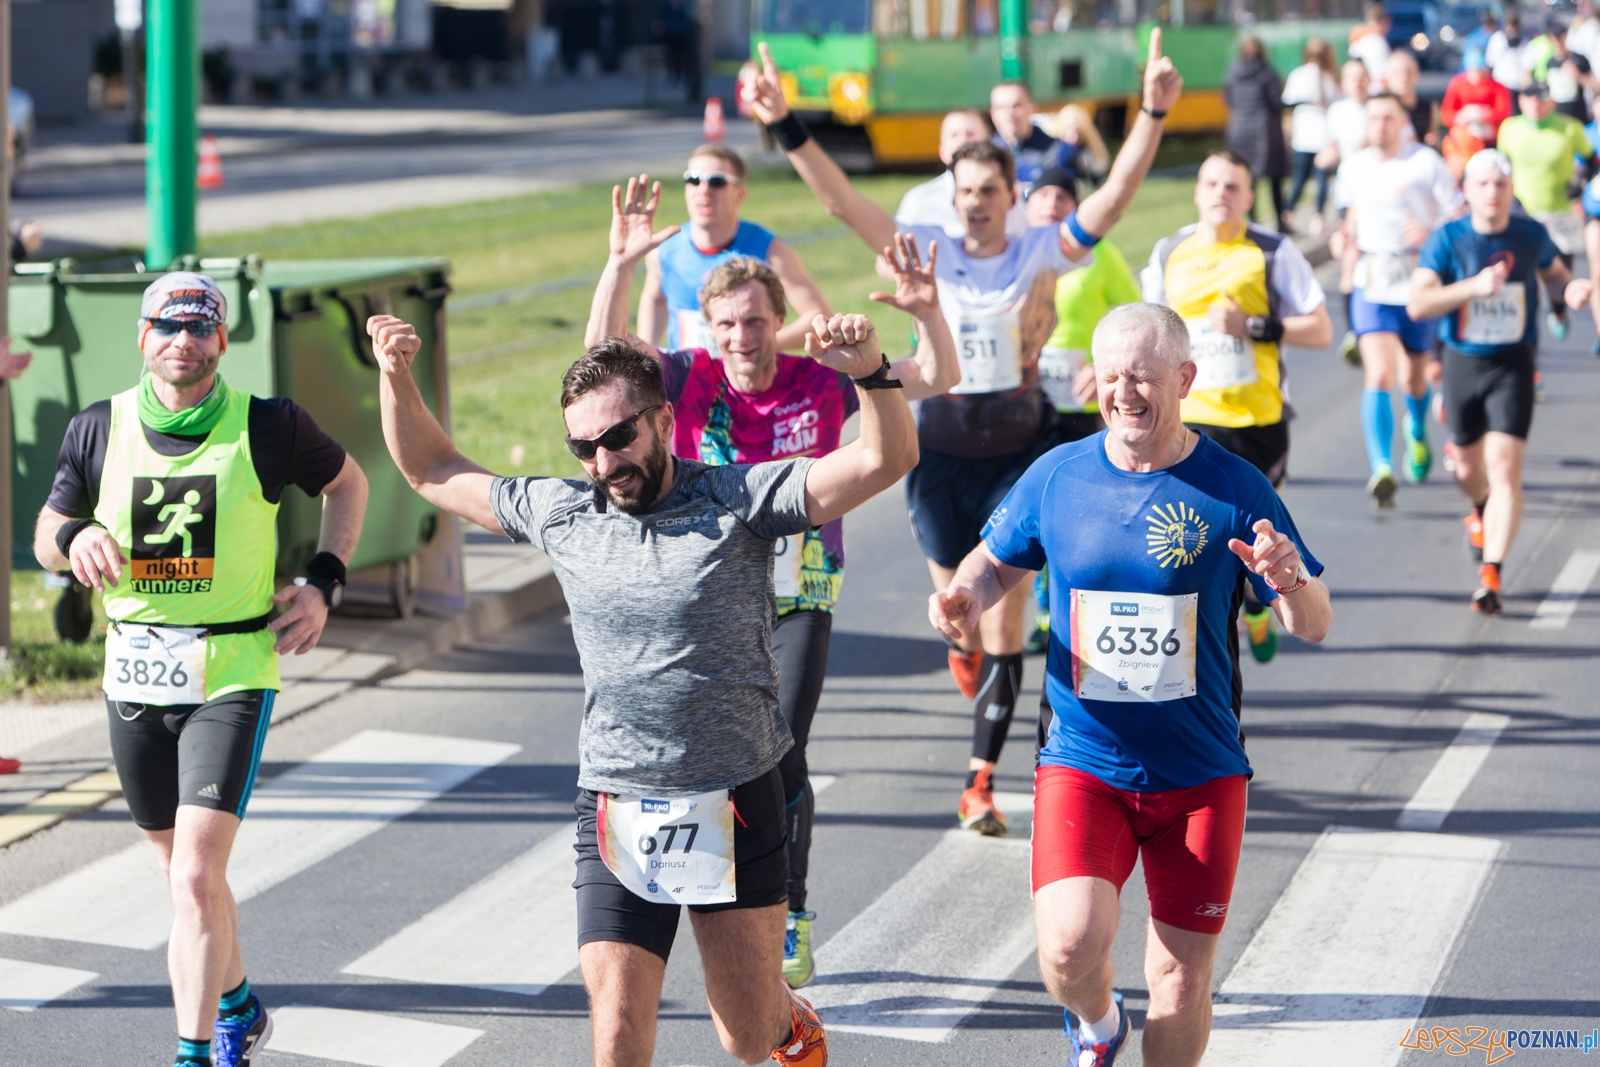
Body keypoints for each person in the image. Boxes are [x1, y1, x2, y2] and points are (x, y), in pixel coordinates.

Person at [370, 289, 919, 1067]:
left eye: (619, 437)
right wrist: (396, 377)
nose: (603, 462)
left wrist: (872, 374)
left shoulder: (737, 498)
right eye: (583, 448)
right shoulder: (563, 512)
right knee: (619, 1035)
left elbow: (884, 460)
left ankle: (788, 1021)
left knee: (747, 1034)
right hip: (618, 803)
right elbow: (432, 468)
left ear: (663, 420)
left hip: (734, 798)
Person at [743, 33, 1184, 836]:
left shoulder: (1045, 249)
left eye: (989, 188)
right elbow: (844, 204)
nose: (976, 201)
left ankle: (980, 781)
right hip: (940, 454)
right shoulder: (928, 254)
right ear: (951, 194)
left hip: (1020, 452)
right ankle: (970, 660)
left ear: (1013, 191)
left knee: (1005, 619)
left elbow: (1115, 195)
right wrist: (789, 126)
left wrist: (1152, 110)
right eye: (964, 189)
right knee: (961, 609)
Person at [929, 302, 1331, 1067]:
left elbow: (1312, 620)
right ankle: (1100, 1022)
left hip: (1201, 774)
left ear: (1184, 377)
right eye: (1110, 376)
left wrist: (1290, 583)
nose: (1124, 393)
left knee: (1179, 978)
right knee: (1068, 946)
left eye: (1142, 376)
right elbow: (994, 560)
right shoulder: (1059, 474)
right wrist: (965, 596)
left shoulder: (1234, 486)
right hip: (1085, 761)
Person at [585, 174, 957, 990]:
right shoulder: (687, 379)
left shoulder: (818, 377)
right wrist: (618, 268)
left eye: (756, 321)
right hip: (714, 597)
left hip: (802, 588)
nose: (743, 338)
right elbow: (600, 368)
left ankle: (791, 909)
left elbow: (938, 373)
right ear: (708, 330)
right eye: (727, 325)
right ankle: (726, 895)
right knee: (739, 759)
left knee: (782, 748)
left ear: (778, 321)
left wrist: (924, 308)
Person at [32, 272, 369, 1067]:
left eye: (200, 327)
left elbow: (348, 482)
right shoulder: (98, 426)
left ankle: (196, 1052)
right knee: (183, 874)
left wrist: (324, 580)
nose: (184, 340)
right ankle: (241, 1004)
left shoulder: (269, 425)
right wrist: (72, 538)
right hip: (134, 677)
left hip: (232, 670)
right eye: (168, 327)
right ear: (143, 337)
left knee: (192, 877)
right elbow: (50, 525)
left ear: (222, 339)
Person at [1142, 150, 1331, 664]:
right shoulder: (1169, 252)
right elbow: (1148, 329)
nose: (1221, 194)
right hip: (1192, 421)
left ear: (1249, 196)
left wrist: (1253, 326)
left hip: (1259, 422)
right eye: (1212, 184)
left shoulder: (1271, 252)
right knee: (1191, 546)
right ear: (1198, 191)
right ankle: (1201, 646)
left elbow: (1321, 329)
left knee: (1259, 543)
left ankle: (1254, 603)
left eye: (1233, 186)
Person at [1407, 149, 1592, 612]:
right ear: (1467, 191)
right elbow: (1418, 304)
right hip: (1463, 362)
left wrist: (1569, 291)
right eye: (1483, 184)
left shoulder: (1530, 234)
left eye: (1501, 185)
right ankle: (1480, 506)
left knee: (1506, 467)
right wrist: (1473, 287)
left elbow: (1554, 275)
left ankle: (1492, 572)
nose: (1492, 193)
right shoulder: (1448, 239)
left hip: (1514, 361)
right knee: (1470, 471)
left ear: (1512, 191)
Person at [1023, 166, 1142, 655]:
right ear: (1025, 203)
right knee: (1036, 503)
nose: (1052, 202)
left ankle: (1092, 605)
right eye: (1042, 193)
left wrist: (1102, 368)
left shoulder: (1100, 256)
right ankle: (1045, 607)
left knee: (1084, 505)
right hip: (1026, 402)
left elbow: (1133, 319)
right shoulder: (1011, 254)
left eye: (1063, 195)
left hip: (1084, 402)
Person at [1332, 92, 1462, 507]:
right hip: (1373, 280)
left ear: (1403, 121)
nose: (1379, 125)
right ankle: (1382, 466)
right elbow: (1348, 216)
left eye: (1388, 118)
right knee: (1379, 375)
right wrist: (1342, 239)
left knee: (1413, 379)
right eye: (1372, 118)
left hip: (1417, 281)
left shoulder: (1424, 162)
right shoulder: (1352, 167)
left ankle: (1418, 430)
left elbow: (1458, 214)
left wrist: (1429, 233)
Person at [638, 143, 832, 353]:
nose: (703, 190)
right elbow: (656, 300)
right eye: (693, 180)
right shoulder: (664, 250)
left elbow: (819, 317)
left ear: (739, 194)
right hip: (687, 381)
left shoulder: (770, 251)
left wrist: (759, 344)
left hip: (749, 379)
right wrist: (646, 352)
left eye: (717, 182)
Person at [1495, 79, 1595, 339]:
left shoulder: (1570, 128)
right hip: (1522, 214)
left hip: (1560, 215)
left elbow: (1592, 162)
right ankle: (1528, 348)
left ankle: (1559, 310)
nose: (1536, 104)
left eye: (1541, 98)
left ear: (1552, 100)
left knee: (1559, 274)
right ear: (1521, 101)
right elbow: (1500, 166)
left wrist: (1580, 183)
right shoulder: (1509, 128)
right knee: (1525, 281)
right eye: (1530, 98)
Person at [896, 108, 1028, 238]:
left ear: (989, 144)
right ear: (942, 151)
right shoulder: (919, 201)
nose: (963, 141)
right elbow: (892, 250)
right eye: (954, 135)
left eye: (970, 133)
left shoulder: (1006, 197)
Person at [1325, 58, 1373, 363]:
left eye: (1361, 77)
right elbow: (1330, 147)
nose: (1356, 82)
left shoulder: (1379, 109)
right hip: (1348, 196)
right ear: (1343, 82)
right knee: (1350, 260)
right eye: (1350, 77)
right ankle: (1355, 332)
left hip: (1378, 194)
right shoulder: (1337, 111)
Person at [1223, 36, 1290, 232]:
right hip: (1264, 132)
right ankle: (1280, 222)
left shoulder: (1233, 72)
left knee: (1247, 178)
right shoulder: (1268, 73)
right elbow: (1276, 103)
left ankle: (1252, 223)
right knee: (1275, 178)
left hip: (1239, 130)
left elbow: (1229, 99)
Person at [1282, 38, 1342, 231]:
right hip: (1323, 133)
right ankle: (1318, 216)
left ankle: (1288, 211)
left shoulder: (1298, 74)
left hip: (1304, 133)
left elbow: (1288, 102)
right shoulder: (1331, 77)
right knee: (1321, 177)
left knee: (1299, 177)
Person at [990, 80, 1080, 190]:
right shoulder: (985, 154)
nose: (1010, 112)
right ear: (993, 113)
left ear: (1033, 109)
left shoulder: (1059, 151)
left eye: (1017, 106)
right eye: (1001, 107)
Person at [1441, 49, 1514, 146]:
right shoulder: (1458, 84)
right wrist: (1462, 117)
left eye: (1480, 68)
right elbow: (1447, 114)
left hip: (1490, 139)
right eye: (1474, 69)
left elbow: (1503, 111)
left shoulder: (1497, 87)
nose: (1477, 73)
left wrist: (1482, 115)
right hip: (1463, 140)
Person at [1384, 50, 1439, 149]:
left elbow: (1433, 137)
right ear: (1388, 77)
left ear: (1416, 75)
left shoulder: (1428, 108)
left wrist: (1432, 141)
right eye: (1398, 73)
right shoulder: (1382, 109)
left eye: (1408, 72)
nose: (1404, 78)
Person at [1053, 103, 1110, 186]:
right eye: (1070, 131)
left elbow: (1096, 174)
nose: (1074, 137)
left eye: (1078, 133)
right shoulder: (1056, 148)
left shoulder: (1087, 153)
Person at [1349, 1, 1393, 83]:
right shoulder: (1377, 42)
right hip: (1375, 90)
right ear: (1384, 21)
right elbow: (1381, 75)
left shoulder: (1357, 39)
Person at [1488, 10, 1528, 92]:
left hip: (1517, 85)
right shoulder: (1497, 38)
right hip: (1499, 84)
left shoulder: (1524, 41)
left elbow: (1528, 65)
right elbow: (1490, 61)